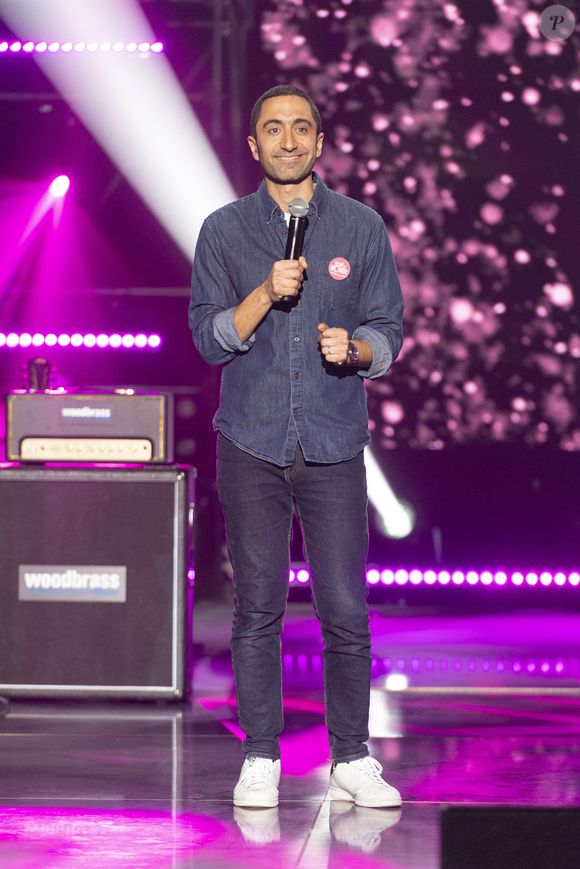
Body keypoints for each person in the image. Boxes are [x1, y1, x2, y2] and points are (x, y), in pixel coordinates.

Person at [189, 84, 404, 809]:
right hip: (249, 443)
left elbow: (390, 330)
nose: (288, 141)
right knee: (258, 607)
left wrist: (358, 348)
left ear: (318, 142)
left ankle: (352, 755)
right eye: (273, 130)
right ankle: (260, 755)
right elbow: (208, 336)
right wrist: (264, 293)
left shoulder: (361, 226)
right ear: (254, 146)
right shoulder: (222, 230)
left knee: (345, 607)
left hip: (335, 444)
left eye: (301, 128)